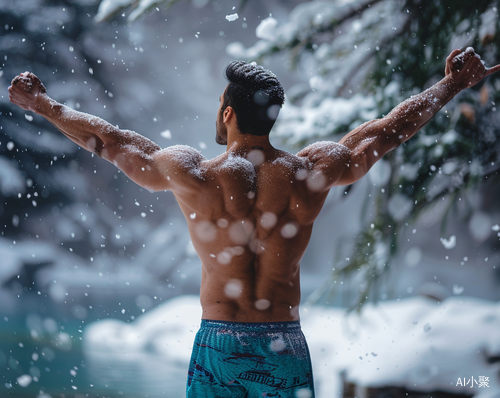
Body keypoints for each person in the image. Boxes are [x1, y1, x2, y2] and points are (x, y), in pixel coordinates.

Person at [8, 47, 500, 397]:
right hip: (282, 340)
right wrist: (451, 84)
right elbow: (385, 133)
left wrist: (43, 106)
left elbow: (113, 143)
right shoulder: (309, 172)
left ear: (227, 114)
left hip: (219, 340)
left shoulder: (194, 174)